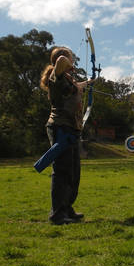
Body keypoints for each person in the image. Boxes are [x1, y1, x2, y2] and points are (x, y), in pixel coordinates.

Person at [40, 47, 94, 225]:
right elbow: (62, 59)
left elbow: (76, 87)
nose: (72, 63)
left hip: (71, 129)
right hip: (60, 128)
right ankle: (57, 214)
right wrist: (67, 61)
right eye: (71, 60)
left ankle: (67, 208)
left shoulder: (68, 80)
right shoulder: (55, 78)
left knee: (73, 172)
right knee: (62, 171)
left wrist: (88, 82)